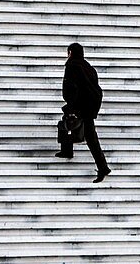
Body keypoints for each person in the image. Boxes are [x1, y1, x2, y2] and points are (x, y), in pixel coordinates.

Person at [55, 42, 111, 183]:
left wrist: (71, 104)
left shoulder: (72, 66)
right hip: (90, 106)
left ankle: (103, 167)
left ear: (71, 53)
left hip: (81, 106)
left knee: (85, 135)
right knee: (67, 125)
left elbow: (71, 88)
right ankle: (67, 150)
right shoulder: (88, 67)